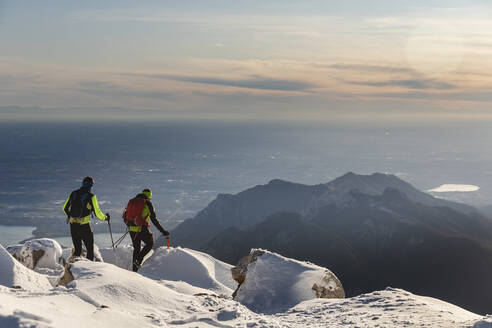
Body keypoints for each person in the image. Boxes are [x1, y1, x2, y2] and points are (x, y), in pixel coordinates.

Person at [62, 176, 110, 261]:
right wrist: (105, 218)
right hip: (84, 226)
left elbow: (64, 208)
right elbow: (98, 213)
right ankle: (89, 269)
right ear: (91, 185)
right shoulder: (91, 197)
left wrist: (70, 216)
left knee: (77, 250)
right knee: (90, 250)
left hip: (73, 225)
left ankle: (74, 269)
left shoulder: (74, 193)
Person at [123, 188, 169, 272]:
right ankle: (139, 260)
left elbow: (126, 215)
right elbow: (154, 220)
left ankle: (134, 270)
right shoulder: (147, 203)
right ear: (149, 196)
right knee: (150, 243)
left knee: (136, 249)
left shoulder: (132, 201)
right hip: (142, 228)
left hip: (132, 229)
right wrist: (162, 231)